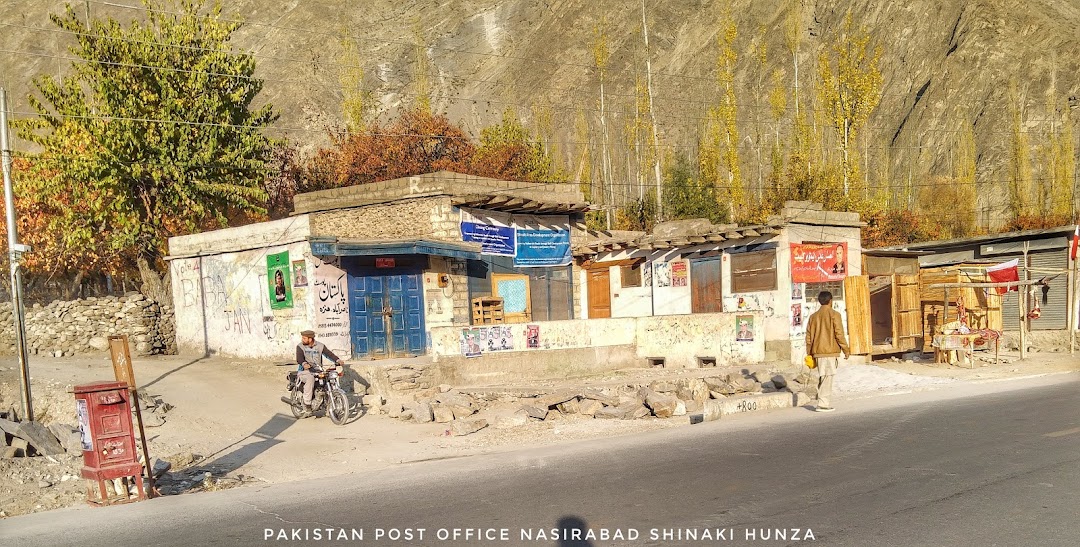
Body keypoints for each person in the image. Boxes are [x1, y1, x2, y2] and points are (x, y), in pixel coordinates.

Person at [805, 291, 849, 412]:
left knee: (823, 376)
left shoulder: (813, 317)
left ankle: (821, 400)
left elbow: (809, 337)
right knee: (827, 377)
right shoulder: (835, 315)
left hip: (818, 351)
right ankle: (823, 403)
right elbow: (839, 334)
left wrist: (809, 353)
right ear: (831, 301)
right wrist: (846, 349)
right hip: (829, 352)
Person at [295, 329, 344, 417]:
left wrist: (338, 360)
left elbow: (329, 354)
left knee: (328, 378)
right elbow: (299, 358)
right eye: (302, 338)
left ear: (310, 339)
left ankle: (328, 406)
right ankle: (307, 405)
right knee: (310, 378)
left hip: (318, 370)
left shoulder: (320, 346)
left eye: (304, 338)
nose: (302, 340)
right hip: (304, 371)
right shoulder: (300, 346)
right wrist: (304, 364)